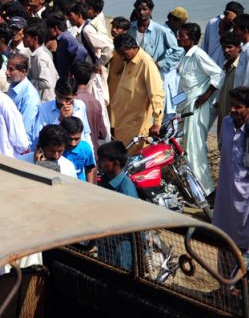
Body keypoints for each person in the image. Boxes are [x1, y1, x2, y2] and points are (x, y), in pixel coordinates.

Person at [175, 22, 222, 194]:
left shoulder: (198, 55)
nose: (179, 38)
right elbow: (184, 86)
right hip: (184, 107)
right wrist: (174, 105)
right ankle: (193, 187)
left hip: (195, 109)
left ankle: (206, 190)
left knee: (195, 148)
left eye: (183, 35)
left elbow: (218, 74)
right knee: (185, 149)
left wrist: (206, 96)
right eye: (179, 34)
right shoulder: (184, 55)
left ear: (193, 39)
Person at [107, 34, 165, 147]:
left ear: (133, 47)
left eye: (124, 54)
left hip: (135, 127)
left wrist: (157, 123)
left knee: (132, 160)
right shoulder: (128, 60)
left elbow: (156, 94)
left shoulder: (146, 64)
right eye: (119, 54)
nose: (122, 57)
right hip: (121, 122)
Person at [213, 86, 249, 262]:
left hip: (245, 202)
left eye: (238, 106)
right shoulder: (227, 124)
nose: (233, 110)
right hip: (225, 197)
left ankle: (239, 287)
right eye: (232, 105)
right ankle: (224, 288)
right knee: (223, 239)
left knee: (243, 247)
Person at [60, 116, 96, 183]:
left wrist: (90, 187)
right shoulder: (56, 148)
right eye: (69, 139)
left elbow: (89, 169)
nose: (73, 143)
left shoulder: (86, 148)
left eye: (76, 139)